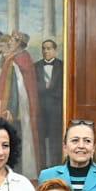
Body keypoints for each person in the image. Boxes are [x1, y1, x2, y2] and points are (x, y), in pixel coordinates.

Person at [0, 32, 40, 175]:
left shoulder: (16, 60)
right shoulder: (22, 57)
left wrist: (11, 110)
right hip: (21, 108)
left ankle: (15, 171)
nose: (10, 43)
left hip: (17, 110)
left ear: (19, 43)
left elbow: (15, 88)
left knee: (15, 139)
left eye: (13, 41)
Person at [35, 39, 63, 170]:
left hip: (56, 110)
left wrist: (49, 88)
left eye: (49, 48)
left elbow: (64, 87)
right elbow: (33, 86)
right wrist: (43, 87)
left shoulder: (62, 66)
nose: (46, 51)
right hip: (40, 110)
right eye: (44, 48)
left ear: (55, 50)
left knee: (55, 140)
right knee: (40, 139)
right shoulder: (36, 66)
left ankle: (55, 167)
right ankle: (42, 168)